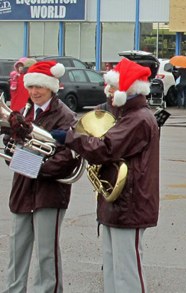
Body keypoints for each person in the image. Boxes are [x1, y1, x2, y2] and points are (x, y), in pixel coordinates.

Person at [53, 57, 160, 292]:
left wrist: (70, 139)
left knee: (127, 272)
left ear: (126, 90)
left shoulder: (139, 118)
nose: (107, 91)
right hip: (118, 202)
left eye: (112, 87)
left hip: (129, 203)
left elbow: (106, 148)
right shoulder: (125, 114)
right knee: (113, 270)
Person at [0, 60, 79, 292]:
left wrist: (28, 163)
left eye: (40, 87)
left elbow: (66, 161)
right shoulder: (24, 112)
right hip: (22, 191)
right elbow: (11, 153)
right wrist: (11, 143)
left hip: (50, 194)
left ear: (52, 87)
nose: (34, 92)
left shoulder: (66, 116)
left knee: (47, 254)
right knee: (16, 250)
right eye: (31, 87)